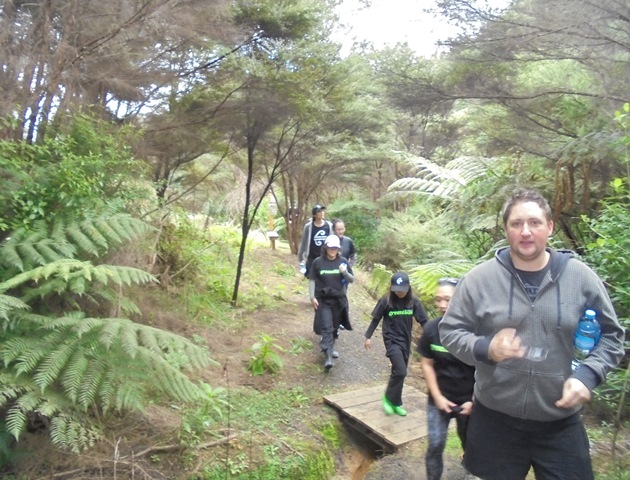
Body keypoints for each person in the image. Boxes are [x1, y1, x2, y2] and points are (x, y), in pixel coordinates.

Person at [439, 188, 625, 480]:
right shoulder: (479, 279)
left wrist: (588, 375)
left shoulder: (580, 277)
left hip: (559, 423)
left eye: (535, 222)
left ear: (549, 227)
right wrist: (486, 348)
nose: (525, 231)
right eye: (516, 223)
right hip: (493, 422)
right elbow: (450, 330)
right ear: (506, 230)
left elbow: (613, 336)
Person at [418, 277, 475, 480]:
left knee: (472, 446)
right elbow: (427, 364)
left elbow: (487, 369)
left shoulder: (476, 331)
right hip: (439, 400)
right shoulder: (432, 329)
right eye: (438, 299)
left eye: (448, 299)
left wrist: (474, 401)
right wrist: (438, 397)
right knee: (435, 445)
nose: (442, 305)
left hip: (469, 401)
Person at [364, 272, 428, 416]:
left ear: (408, 287)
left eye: (402, 290)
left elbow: (424, 321)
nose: (399, 292)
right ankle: (387, 398)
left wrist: (432, 337)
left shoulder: (413, 302)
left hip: (406, 341)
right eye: (397, 290)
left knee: (399, 373)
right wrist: (368, 336)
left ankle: (396, 402)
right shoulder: (386, 300)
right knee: (401, 371)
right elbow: (376, 319)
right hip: (391, 340)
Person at [309, 234, 354, 370]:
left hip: (338, 300)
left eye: (335, 248)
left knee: (334, 326)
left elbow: (351, 280)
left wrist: (344, 272)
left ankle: (330, 347)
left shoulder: (343, 261)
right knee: (326, 326)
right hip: (323, 299)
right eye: (330, 247)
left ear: (338, 248)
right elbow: (312, 279)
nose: (333, 250)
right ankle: (328, 356)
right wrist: (312, 297)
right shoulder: (318, 262)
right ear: (326, 248)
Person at [298, 204, 332, 277]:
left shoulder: (329, 225)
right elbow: (304, 242)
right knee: (311, 277)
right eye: (319, 211)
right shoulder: (308, 227)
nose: (322, 213)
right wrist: (301, 257)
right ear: (314, 215)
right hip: (312, 258)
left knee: (324, 277)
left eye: (322, 211)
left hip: (325, 258)